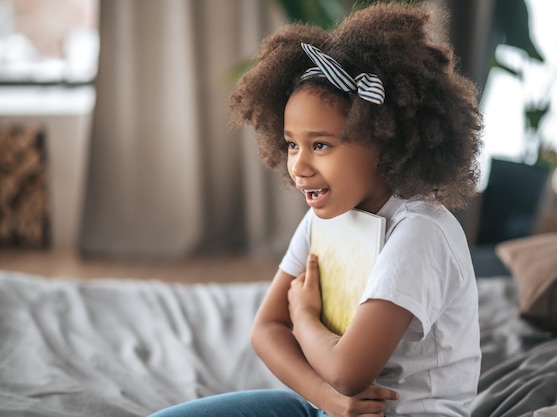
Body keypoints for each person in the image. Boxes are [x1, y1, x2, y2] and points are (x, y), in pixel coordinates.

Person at [150, 2, 482, 416]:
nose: (298, 166)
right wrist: (326, 399)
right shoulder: (326, 216)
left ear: (382, 139)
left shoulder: (420, 232)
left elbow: (348, 371)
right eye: (292, 144)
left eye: (320, 145)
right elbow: (266, 329)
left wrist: (303, 315)